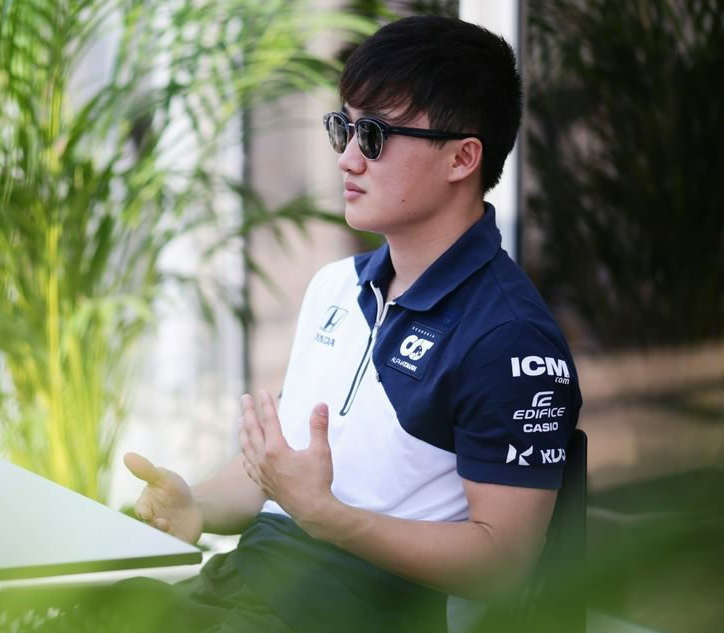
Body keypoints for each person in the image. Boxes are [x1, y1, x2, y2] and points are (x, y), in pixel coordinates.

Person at [121, 14, 582, 633]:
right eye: (344, 128)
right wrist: (194, 504)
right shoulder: (336, 287)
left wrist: (329, 517)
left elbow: (502, 563)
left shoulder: (509, 337)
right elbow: (271, 475)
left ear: (462, 157)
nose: (346, 159)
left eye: (374, 135)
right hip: (242, 587)